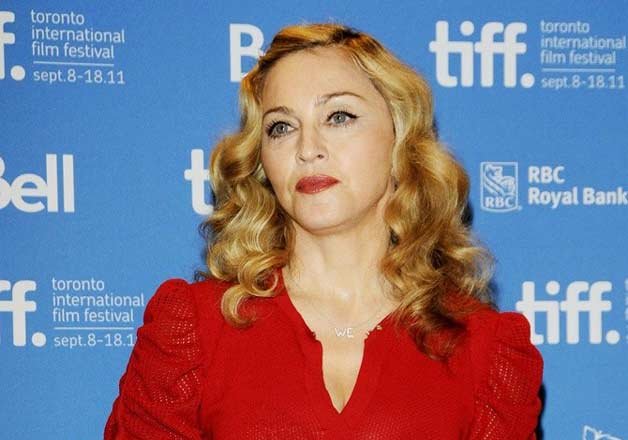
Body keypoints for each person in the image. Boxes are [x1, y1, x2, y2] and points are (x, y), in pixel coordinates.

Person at [104, 22, 543, 439]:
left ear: (400, 139)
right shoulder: (194, 329)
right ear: (261, 161)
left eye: (339, 116)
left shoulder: (484, 350)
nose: (308, 149)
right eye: (281, 127)